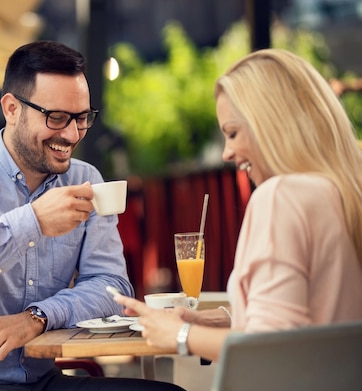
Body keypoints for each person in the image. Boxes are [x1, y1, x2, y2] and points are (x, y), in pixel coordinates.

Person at [0, 40, 200, 391]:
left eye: (82, 117)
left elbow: (112, 286)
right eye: (56, 117)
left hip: (41, 387)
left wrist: (37, 318)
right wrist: (32, 221)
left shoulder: (87, 179)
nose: (72, 134)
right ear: (11, 109)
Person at [113, 48, 362, 363]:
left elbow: (271, 346)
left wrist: (178, 335)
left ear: (272, 125)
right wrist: (224, 317)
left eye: (232, 133)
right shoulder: (345, 188)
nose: (226, 153)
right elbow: (318, 317)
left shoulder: (281, 195)